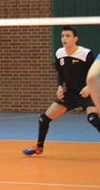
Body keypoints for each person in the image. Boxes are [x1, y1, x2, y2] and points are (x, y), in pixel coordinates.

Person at [23, 26, 99, 155]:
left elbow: (96, 73)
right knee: (43, 118)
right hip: (70, 94)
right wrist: (59, 86)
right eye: (62, 36)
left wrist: (89, 86)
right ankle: (39, 147)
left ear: (75, 38)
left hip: (87, 93)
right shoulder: (59, 53)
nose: (64, 38)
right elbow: (60, 73)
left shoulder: (85, 53)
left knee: (92, 118)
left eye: (68, 36)